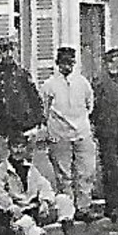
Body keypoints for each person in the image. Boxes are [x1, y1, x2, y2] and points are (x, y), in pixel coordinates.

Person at [0, 130, 85, 235]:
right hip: (17, 214)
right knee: (26, 223)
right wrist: (10, 206)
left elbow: (44, 186)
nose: (18, 151)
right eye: (15, 147)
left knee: (63, 200)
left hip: (34, 209)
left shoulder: (30, 168)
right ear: (9, 149)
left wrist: (45, 201)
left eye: (22, 147)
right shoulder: (2, 170)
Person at [40, 46, 99, 221]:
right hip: (59, 134)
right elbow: (44, 109)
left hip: (81, 131)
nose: (67, 67)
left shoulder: (82, 82)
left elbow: (90, 105)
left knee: (86, 171)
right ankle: (69, 211)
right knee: (63, 175)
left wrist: (82, 121)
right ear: (58, 64)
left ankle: (84, 208)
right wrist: (51, 130)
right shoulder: (49, 85)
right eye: (64, 63)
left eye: (70, 63)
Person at [91, 48, 118, 223]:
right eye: (113, 61)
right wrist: (96, 125)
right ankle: (112, 206)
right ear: (106, 63)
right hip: (107, 132)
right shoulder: (99, 82)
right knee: (111, 169)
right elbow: (93, 107)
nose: (117, 64)